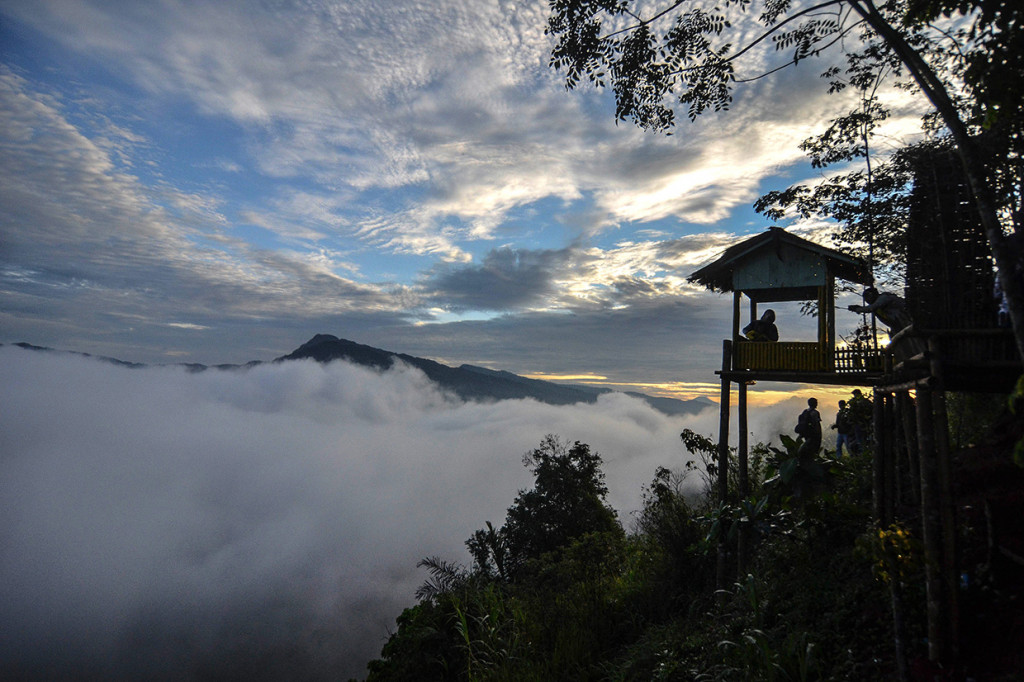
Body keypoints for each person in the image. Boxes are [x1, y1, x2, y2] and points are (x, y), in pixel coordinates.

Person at [847, 389, 873, 455]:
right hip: (862, 425)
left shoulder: (860, 402)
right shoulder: (864, 401)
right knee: (861, 441)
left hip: (862, 425)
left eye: (854, 394)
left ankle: (863, 455)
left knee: (861, 441)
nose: (854, 396)